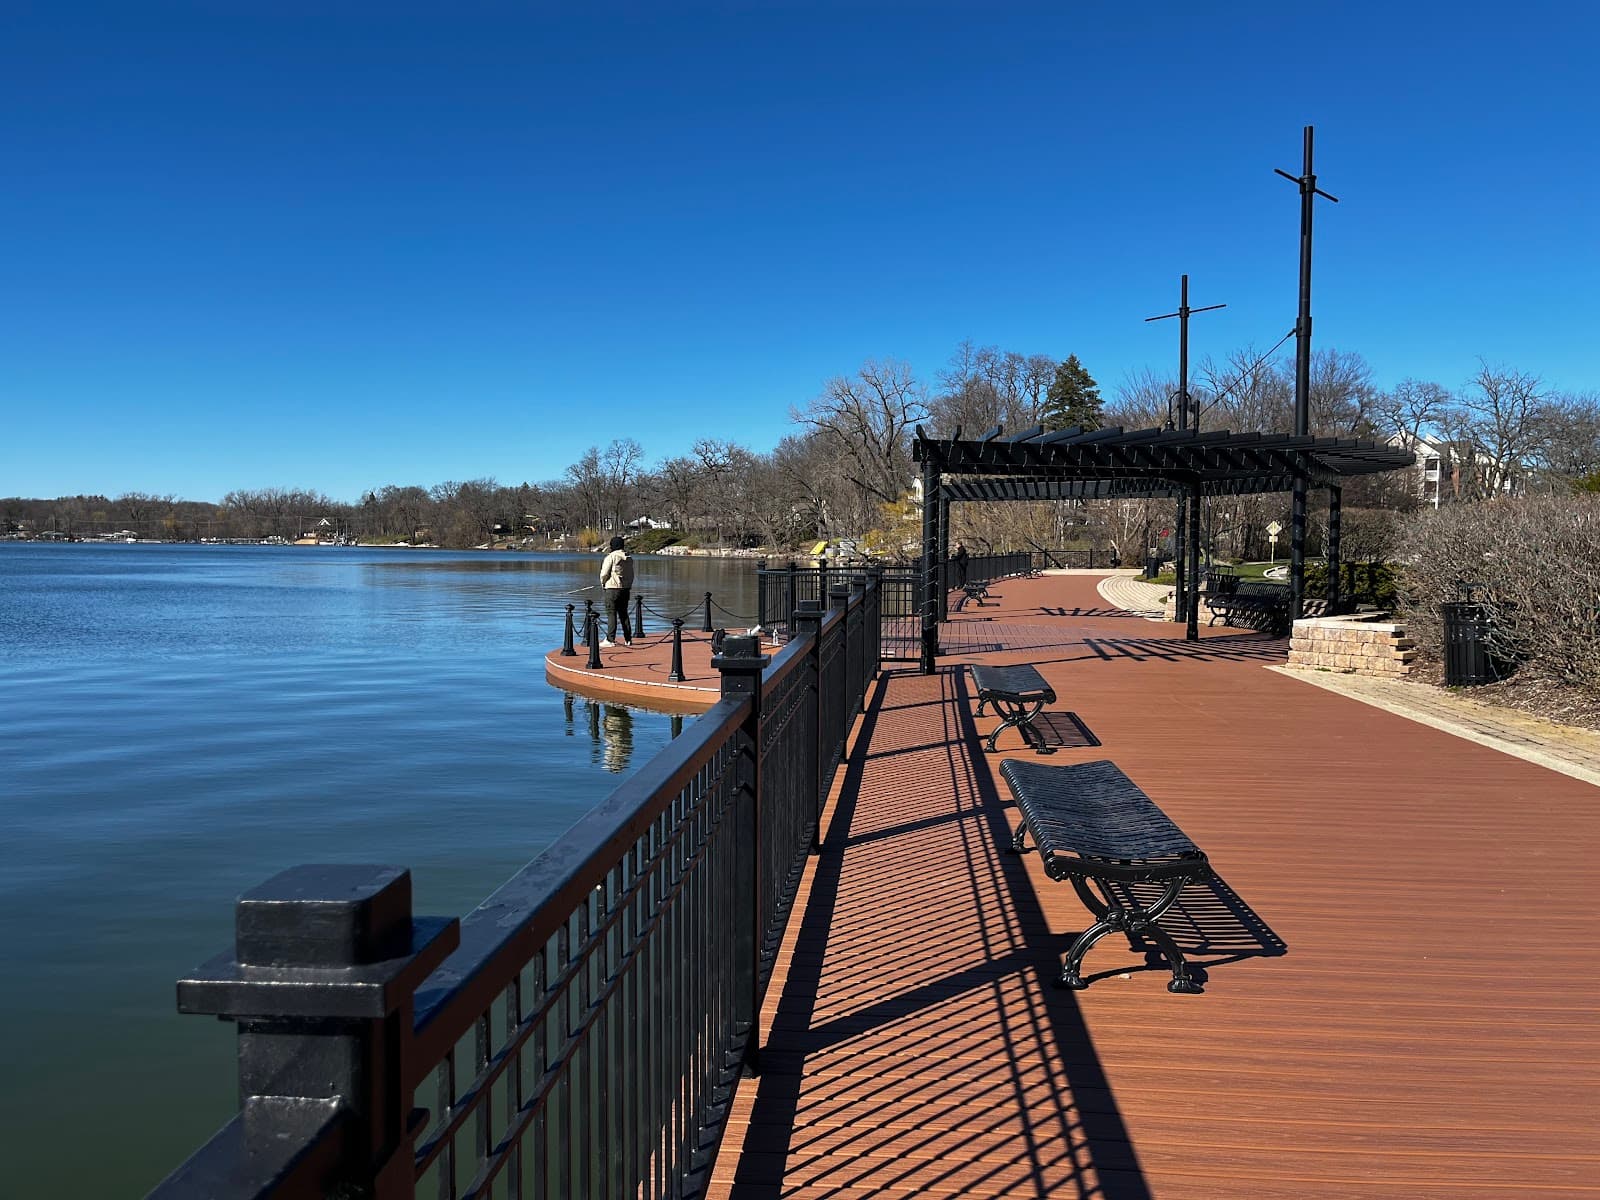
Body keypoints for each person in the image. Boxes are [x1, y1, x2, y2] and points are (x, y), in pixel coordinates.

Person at [599, 535, 634, 647]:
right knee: (624, 614)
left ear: (612, 546)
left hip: (612, 589)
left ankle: (610, 639)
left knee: (611, 614)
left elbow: (604, 574)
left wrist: (603, 583)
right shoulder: (629, 558)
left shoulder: (611, 557)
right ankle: (628, 639)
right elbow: (631, 575)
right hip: (625, 589)